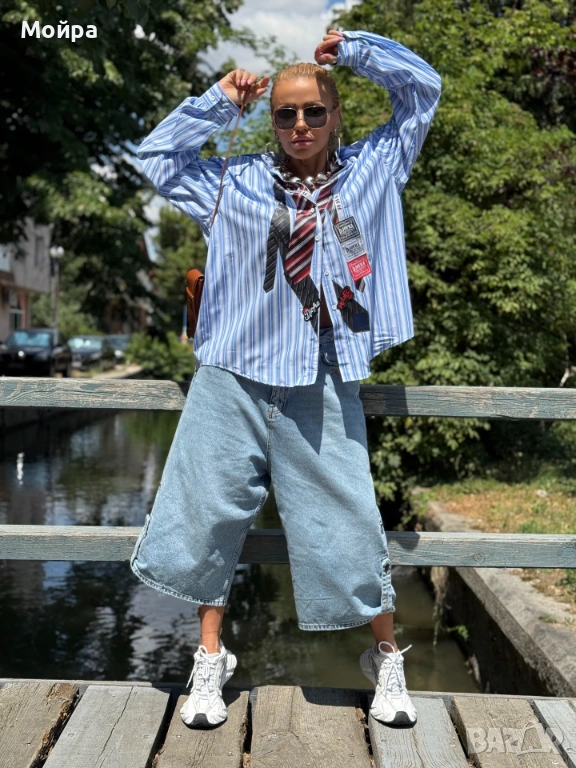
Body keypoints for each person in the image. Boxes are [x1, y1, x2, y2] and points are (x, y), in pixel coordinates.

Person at [130, 27, 441, 730]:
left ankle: (385, 658)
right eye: (284, 113)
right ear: (270, 120)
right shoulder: (231, 181)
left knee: (350, 522)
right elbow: (155, 157)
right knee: (208, 515)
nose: (300, 123)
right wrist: (217, 103)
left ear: (335, 115)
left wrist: (356, 52)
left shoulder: (376, 167)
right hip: (233, 375)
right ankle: (209, 658)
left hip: (322, 379)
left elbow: (423, 92)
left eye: (314, 111)